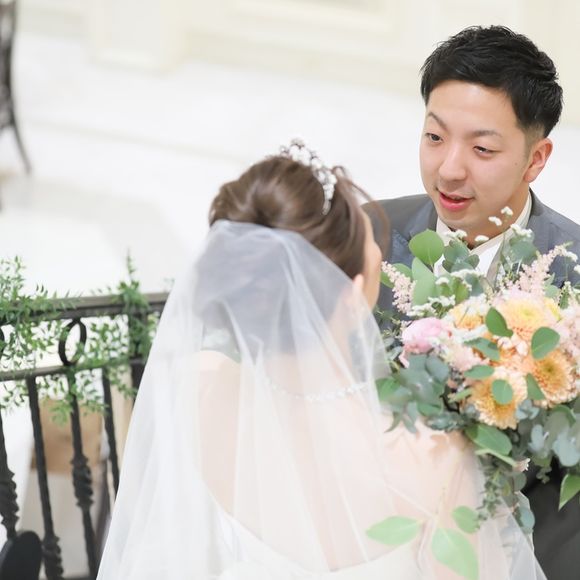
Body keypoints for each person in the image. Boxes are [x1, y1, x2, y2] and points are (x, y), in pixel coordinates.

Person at [97, 140, 544, 579]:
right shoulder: (432, 454)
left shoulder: (200, 382)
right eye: (372, 247)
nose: (379, 253)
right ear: (351, 297)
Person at [368, 26, 580, 579]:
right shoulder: (366, 236)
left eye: (482, 149)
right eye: (434, 137)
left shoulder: (574, 269)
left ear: (536, 159)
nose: (449, 169)